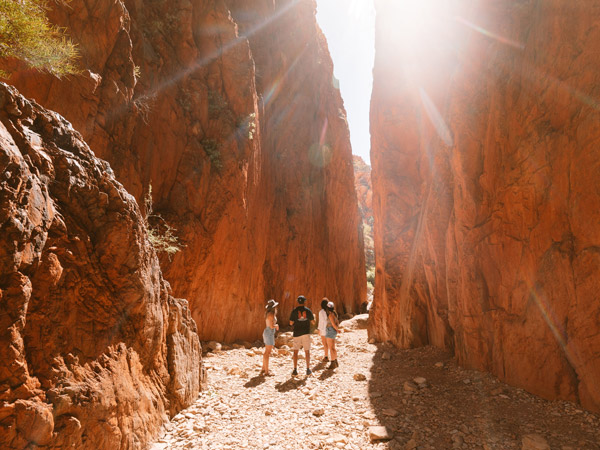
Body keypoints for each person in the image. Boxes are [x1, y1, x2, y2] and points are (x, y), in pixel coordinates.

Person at [289, 295, 315, 376]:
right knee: (307, 351)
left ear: (298, 302)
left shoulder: (294, 311)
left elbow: (291, 323)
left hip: (297, 333)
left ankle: (295, 370)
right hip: (306, 333)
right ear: (304, 302)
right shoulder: (308, 311)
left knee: (295, 352)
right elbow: (313, 322)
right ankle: (307, 369)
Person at [261, 299, 279, 376]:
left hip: (268, 332)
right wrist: (277, 326)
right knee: (268, 353)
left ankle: (264, 368)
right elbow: (272, 326)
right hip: (269, 333)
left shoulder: (268, 314)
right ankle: (267, 372)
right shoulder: (271, 315)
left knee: (266, 352)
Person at [325, 301, 340, 369]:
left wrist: (337, 329)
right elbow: (337, 322)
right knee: (333, 347)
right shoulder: (335, 314)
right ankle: (336, 361)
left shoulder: (330, 314)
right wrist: (337, 329)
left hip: (330, 330)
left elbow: (333, 324)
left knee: (331, 348)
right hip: (333, 331)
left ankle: (332, 363)